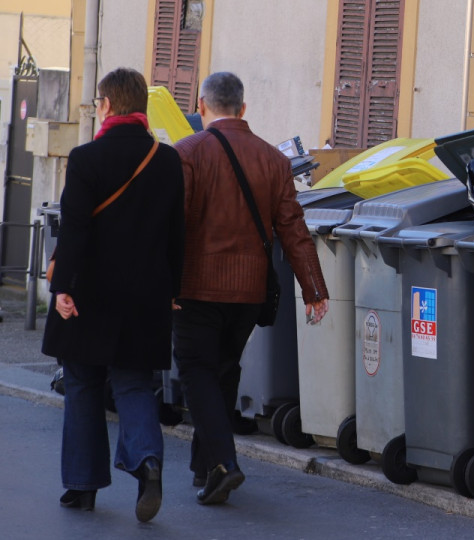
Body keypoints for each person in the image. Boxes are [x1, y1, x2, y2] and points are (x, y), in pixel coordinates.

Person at [173, 71, 329, 505]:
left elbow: (174, 226)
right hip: (248, 292)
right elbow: (294, 230)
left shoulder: (186, 153)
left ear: (201, 106)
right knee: (222, 371)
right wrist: (314, 288)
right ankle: (205, 469)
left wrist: (163, 282)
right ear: (243, 109)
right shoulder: (273, 160)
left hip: (196, 287)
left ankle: (224, 463)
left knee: (197, 372)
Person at [41, 67, 185, 523]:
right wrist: (174, 290)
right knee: (135, 382)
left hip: (91, 293)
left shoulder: (85, 159)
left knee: (82, 381)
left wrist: (62, 286)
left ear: (105, 105)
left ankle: (82, 487)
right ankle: (148, 462)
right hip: (146, 294)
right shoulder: (167, 160)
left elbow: (76, 229)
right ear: (141, 106)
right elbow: (176, 234)